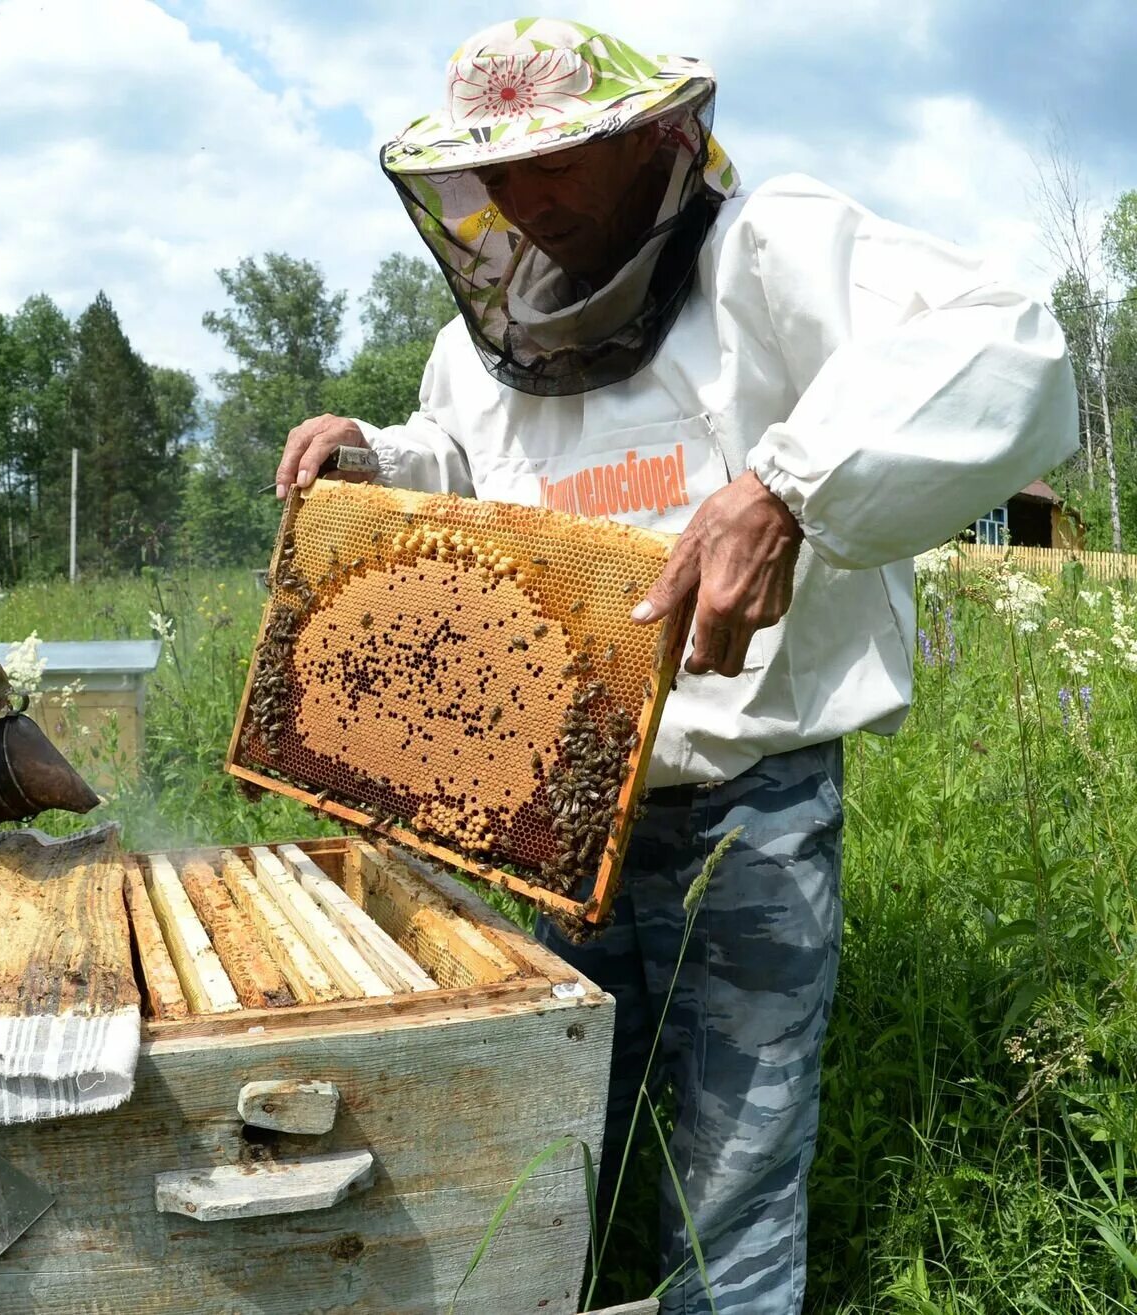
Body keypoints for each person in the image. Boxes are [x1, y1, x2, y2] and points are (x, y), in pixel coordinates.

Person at [276, 20, 1076, 1314]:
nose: (520, 206)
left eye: (555, 166)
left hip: (745, 808)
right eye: (497, 178)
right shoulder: (483, 339)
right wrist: (376, 457)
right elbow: (465, 472)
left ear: (656, 143)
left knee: (730, 1180)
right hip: (549, 816)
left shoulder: (774, 248)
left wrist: (788, 487)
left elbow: (1010, 344)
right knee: (539, 1149)